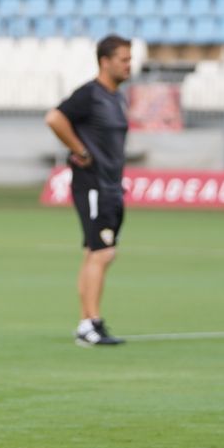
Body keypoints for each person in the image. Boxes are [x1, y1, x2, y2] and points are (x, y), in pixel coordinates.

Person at [46, 35, 133, 346]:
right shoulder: (89, 94)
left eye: (129, 59)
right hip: (93, 183)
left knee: (95, 253)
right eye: (123, 59)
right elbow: (55, 118)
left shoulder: (117, 97)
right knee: (103, 252)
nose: (128, 65)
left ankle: (87, 320)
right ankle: (90, 324)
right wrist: (80, 151)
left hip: (111, 184)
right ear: (105, 61)